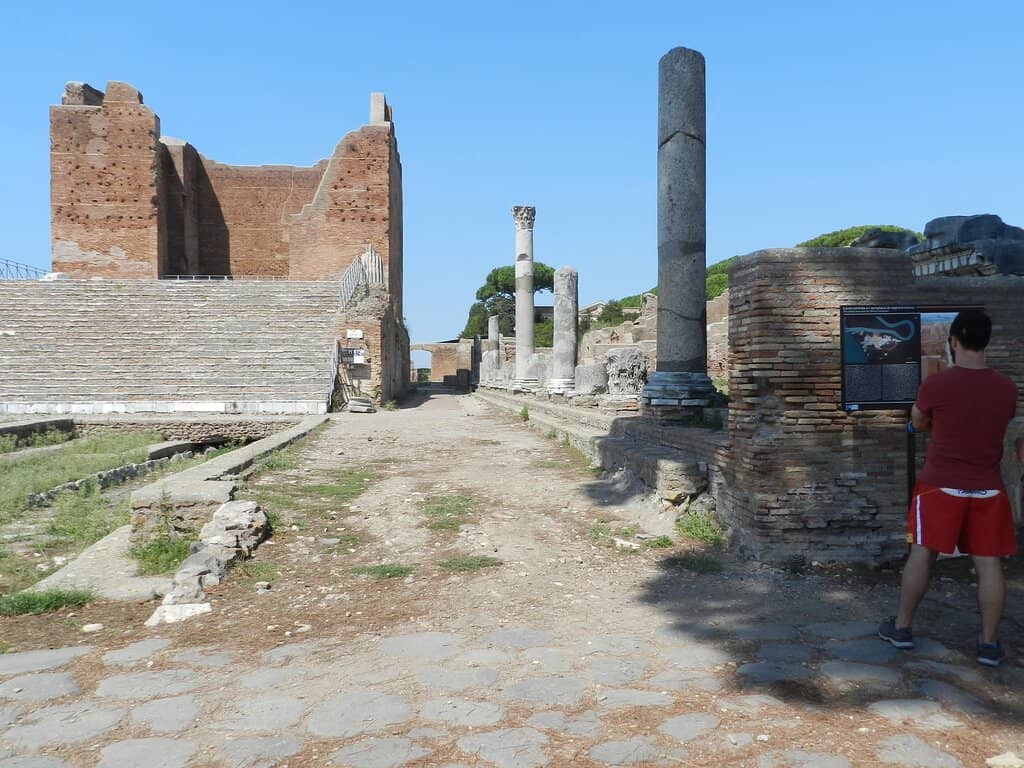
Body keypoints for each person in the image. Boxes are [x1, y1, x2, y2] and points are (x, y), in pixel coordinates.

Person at [878, 309, 1023, 667]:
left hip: (940, 486)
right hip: (988, 488)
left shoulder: (937, 385)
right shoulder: (1006, 389)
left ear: (953, 341)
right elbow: (999, 424)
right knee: (989, 564)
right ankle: (988, 645)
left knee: (923, 554)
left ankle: (902, 628)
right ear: (986, 341)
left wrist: (933, 426)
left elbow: (919, 419)